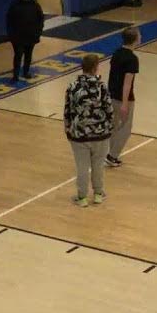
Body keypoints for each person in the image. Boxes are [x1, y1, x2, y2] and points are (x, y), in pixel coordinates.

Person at [64, 54, 114, 207]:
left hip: (79, 134)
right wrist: (109, 127)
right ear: (95, 68)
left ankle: (82, 197)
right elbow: (109, 109)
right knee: (98, 165)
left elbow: (68, 110)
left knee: (82, 167)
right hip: (100, 134)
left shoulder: (72, 87)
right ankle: (98, 194)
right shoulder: (101, 87)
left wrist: (68, 129)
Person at [105, 27, 140, 167]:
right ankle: (112, 155)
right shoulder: (132, 59)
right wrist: (125, 102)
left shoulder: (117, 53)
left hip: (112, 94)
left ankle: (109, 153)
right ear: (135, 39)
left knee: (113, 125)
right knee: (125, 128)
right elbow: (127, 83)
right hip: (123, 98)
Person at [5, 0, 45, 83]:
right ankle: (16, 75)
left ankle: (26, 72)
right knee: (18, 55)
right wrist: (11, 35)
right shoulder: (14, 6)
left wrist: (38, 32)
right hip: (18, 37)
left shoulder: (35, 5)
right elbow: (9, 21)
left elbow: (40, 19)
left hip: (31, 36)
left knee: (28, 55)